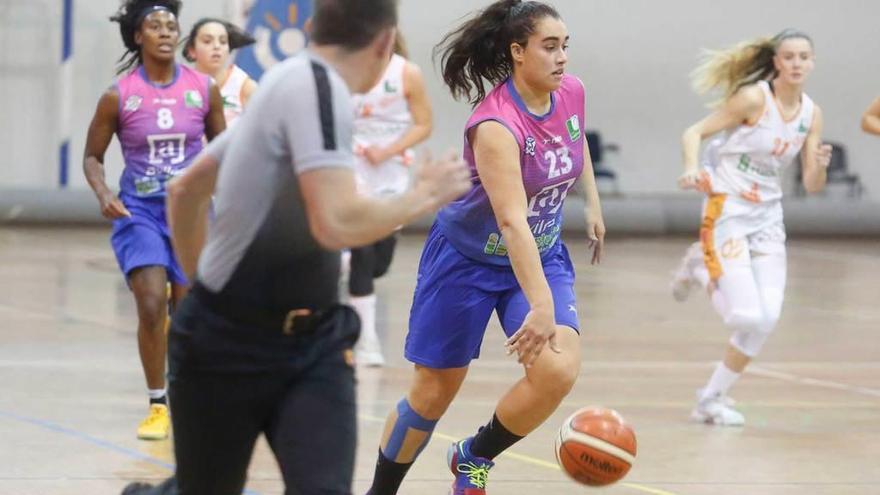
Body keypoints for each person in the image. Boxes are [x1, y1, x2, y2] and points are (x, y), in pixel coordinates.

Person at [120, 0, 470, 493]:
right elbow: (335, 224)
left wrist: (200, 286)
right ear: (385, 42)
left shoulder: (285, 79)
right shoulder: (318, 87)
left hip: (308, 342)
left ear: (312, 28)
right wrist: (422, 196)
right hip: (232, 345)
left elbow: (186, 190)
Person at [364, 1, 606, 494]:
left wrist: (594, 205)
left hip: (540, 255)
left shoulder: (572, 92)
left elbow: (575, 144)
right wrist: (539, 304)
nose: (562, 58)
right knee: (433, 394)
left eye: (565, 46)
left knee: (557, 368)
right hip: (467, 261)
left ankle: (473, 457)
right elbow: (512, 221)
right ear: (517, 51)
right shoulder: (495, 124)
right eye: (549, 46)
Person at [671, 29, 833, 426]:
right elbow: (693, 132)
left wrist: (820, 166)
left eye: (804, 57)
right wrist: (692, 168)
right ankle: (698, 267)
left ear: (812, 63)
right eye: (789, 56)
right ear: (776, 62)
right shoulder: (754, 99)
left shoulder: (812, 113)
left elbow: (812, 186)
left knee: (767, 320)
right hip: (727, 208)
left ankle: (709, 400)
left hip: (767, 218)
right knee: (746, 317)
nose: (796, 63)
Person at [82, 0, 225, 441]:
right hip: (139, 212)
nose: (165, 32)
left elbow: (224, 148)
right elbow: (92, 156)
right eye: (154, 26)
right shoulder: (118, 95)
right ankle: (158, 402)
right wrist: (104, 193)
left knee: (187, 313)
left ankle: (187, 394)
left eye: (170, 25)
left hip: (191, 213)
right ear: (138, 37)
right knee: (149, 303)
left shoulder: (202, 88)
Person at [348, 33, 433, 366]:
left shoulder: (406, 72)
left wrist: (389, 149)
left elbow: (424, 124)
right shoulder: (347, 70)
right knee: (362, 252)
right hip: (355, 170)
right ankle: (367, 340)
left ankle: (347, 267)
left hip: (392, 172)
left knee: (378, 264)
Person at [183, 17, 257, 126]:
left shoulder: (245, 87)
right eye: (207, 41)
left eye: (223, 42)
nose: (217, 46)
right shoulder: (181, 85)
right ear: (192, 50)